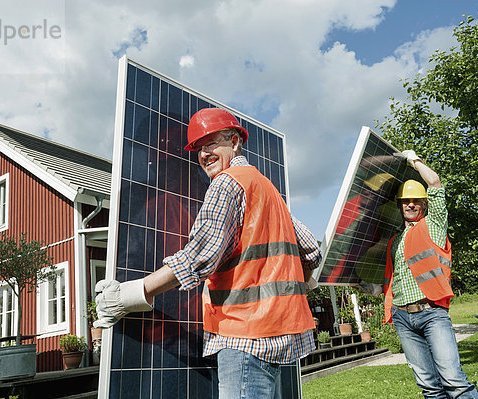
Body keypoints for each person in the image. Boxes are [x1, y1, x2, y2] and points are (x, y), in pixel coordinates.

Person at [94, 108, 321, 399]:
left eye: (212, 142)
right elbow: (311, 250)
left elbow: (199, 257)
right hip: (279, 339)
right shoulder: (266, 188)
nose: (204, 153)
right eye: (199, 148)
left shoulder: (226, 184)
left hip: (244, 338)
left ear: (235, 141)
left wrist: (130, 294)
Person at [382, 150, 478, 398]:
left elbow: (434, 182)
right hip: (403, 318)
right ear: (400, 205)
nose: (411, 204)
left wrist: (413, 160)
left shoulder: (433, 225)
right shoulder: (394, 240)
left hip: (431, 313)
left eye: (416, 200)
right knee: (429, 387)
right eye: (406, 201)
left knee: (454, 381)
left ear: (424, 204)